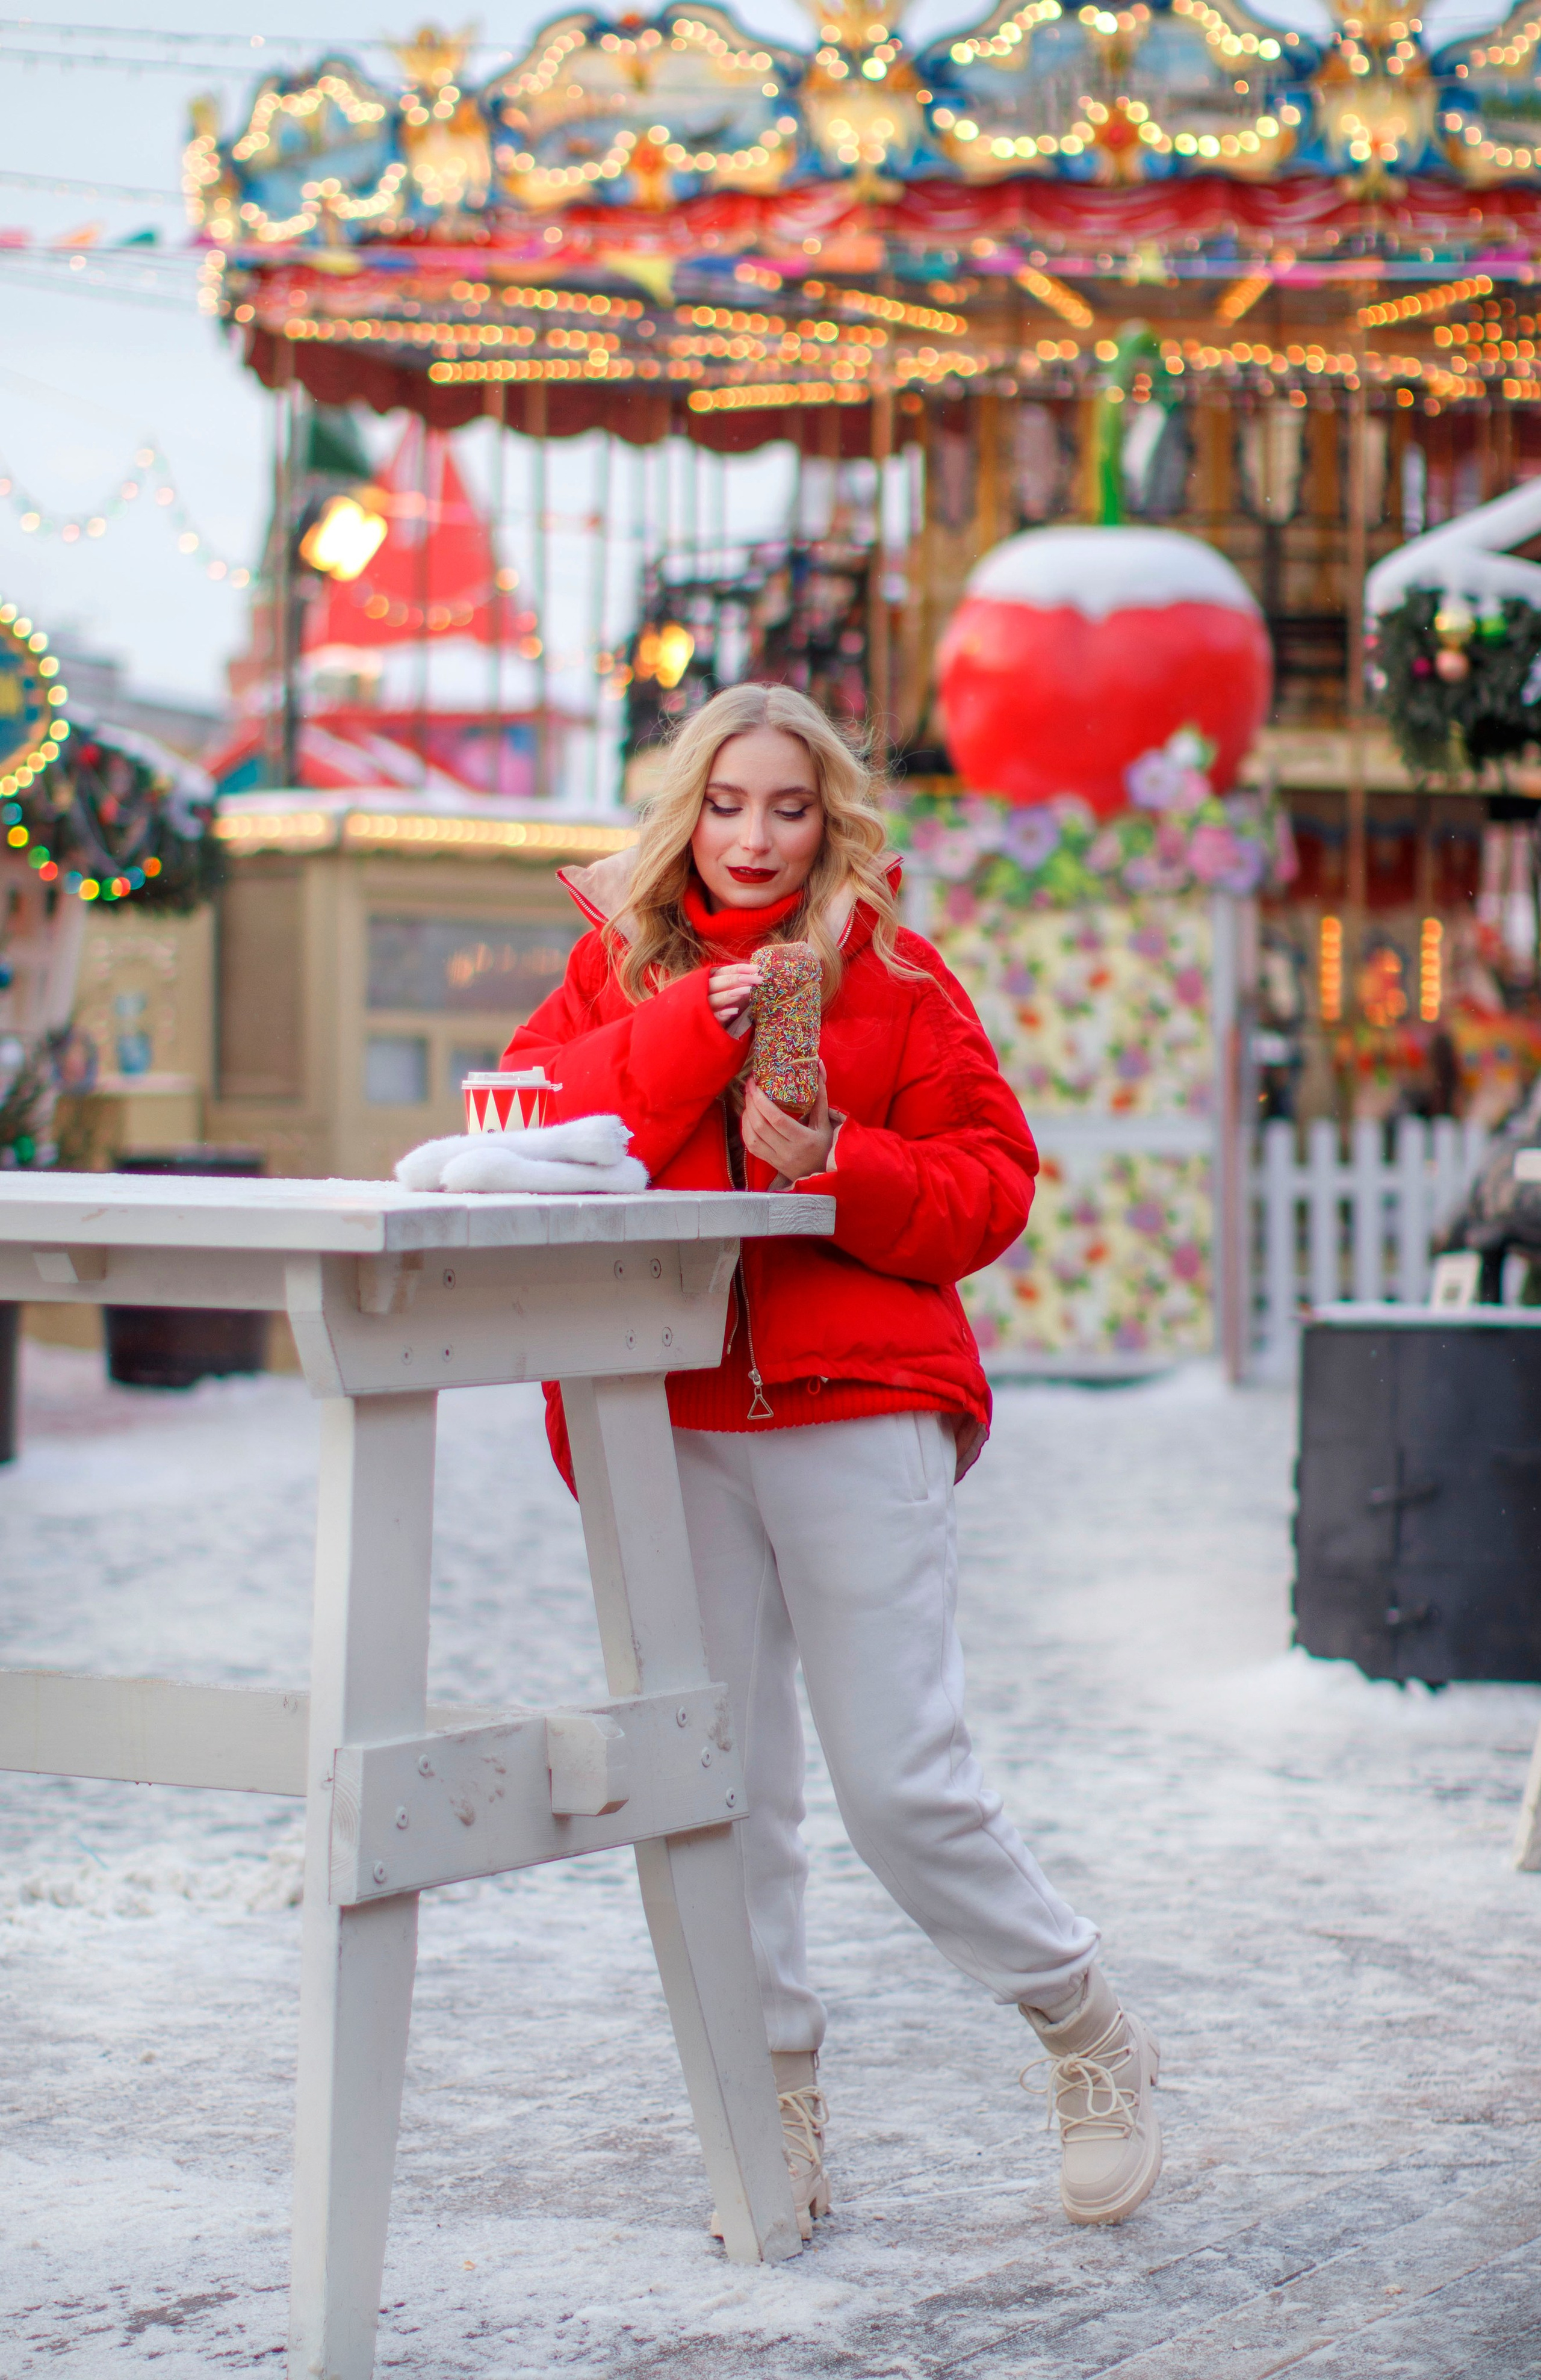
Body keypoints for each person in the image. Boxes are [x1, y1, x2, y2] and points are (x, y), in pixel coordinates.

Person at [503, 683, 1160, 2239]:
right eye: (725, 804)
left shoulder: (900, 976)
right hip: (668, 1410)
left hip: (860, 1396)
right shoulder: (615, 973)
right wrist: (689, 1028)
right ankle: (771, 2103)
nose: (753, 837)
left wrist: (840, 1164)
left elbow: (992, 1184)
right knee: (725, 1791)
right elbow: (544, 1124)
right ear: (685, 812)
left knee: (901, 1784)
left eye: (786, 807)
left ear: (830, 818)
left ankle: (1087, 2024)